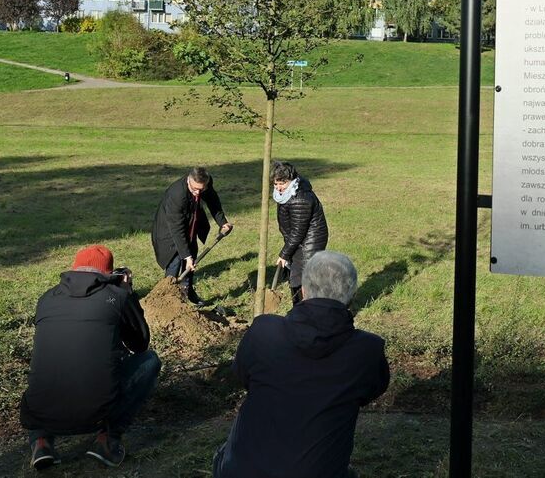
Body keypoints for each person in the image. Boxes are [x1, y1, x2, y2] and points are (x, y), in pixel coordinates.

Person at [213, 250, 389, 478]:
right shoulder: (368, 350)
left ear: (303, 291)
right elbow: (371, 391)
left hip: (241, 472)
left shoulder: (263, 332)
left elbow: (242, 377)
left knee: (223, 454)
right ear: (352, 295)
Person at [20, 245, 161, 470]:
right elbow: (139, 344)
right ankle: (108, 439)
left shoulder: (46, 298)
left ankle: (41, 441)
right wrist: (128, 293)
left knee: (50, 364)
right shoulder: (116, 296)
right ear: (108, 274)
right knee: (150, 360)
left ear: (74, 269)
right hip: (96, 411)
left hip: (40, 411)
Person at [151, 166, 233, 305]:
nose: (197, 193)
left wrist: (222, 222)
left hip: (190, 227)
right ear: (189, 180)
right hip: (169, 231)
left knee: (191, 260)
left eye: (201, 190)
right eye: (194, 189)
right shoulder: (177, 194)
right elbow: (177, 229)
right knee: (175, 262)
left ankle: (187, 292)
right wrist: (186, 256)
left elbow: (213, 201)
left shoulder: (204, 184)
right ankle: (168, 301)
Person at [272, 161, 328, 305]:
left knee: (302, 277)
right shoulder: (287, 193)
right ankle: (301, 310)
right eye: (276, 184)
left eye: (282, 183)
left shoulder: (300, 199)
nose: (278, 188)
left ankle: (306, 311)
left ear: (291, 180)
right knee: (297, 276)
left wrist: (284, 254)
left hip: (310, 242)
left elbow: (298, 231)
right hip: (299, 239)